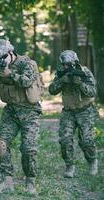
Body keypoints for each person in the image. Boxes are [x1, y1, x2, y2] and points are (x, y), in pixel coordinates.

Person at [0, 39, 44, 194]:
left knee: (28, 149)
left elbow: (27, 81)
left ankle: (30, 182)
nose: (2, 61)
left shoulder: (27, 63)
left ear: (11, 53)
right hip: (12, 111)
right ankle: (7, 181)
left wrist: (10, 74)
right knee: (1, 144)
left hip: (30, 112)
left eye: (4, 57)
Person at [49, 50, 99, 178]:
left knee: (86, 140)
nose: (65, 66)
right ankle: (70, 166)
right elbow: (52, 90)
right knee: (65, 139)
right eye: (64, 64)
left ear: (74, 62)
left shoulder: (85, 72)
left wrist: (80, 83)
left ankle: (92, 160)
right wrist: (62, 80)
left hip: (85, 111)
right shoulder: (61, 74)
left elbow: (92, 92)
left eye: (68, 64)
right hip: (68, 112)